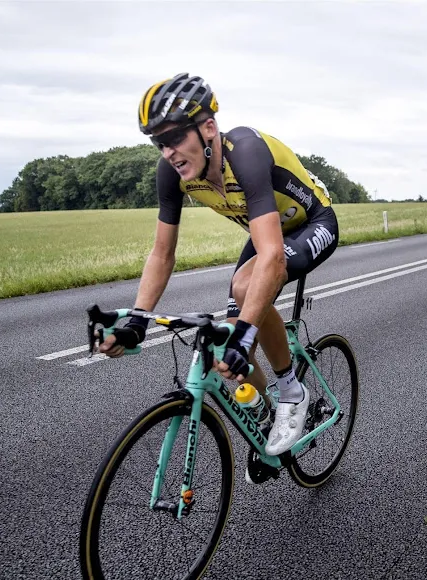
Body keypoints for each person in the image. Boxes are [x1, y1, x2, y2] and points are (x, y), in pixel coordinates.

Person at [98, 73, 339, 459]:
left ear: (208, 127)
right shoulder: (173, 174)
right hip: (268, 233)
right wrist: (137, 322)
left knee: (246, 292)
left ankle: (293, 392)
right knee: (223, 343)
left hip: (312, 223)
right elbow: (162, 254)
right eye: (159, 143)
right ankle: (267, 417)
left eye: (175, 137)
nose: (168, 152)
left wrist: (246, 335)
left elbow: (273, 259)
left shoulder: (244, 152)